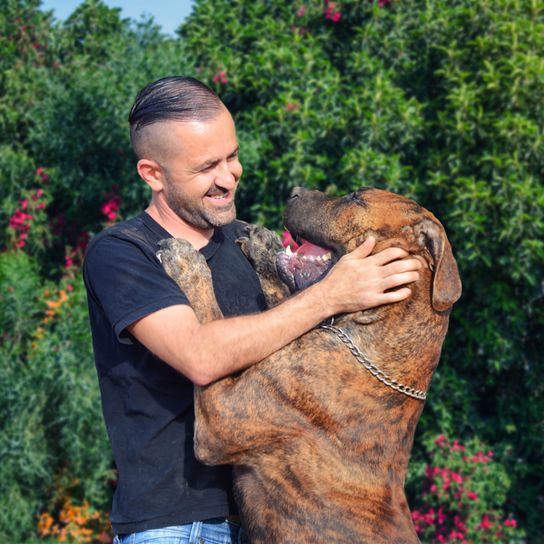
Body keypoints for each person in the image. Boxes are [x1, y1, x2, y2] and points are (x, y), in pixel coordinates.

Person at [83, 76, 422, 544]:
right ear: (153, 174)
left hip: (274, 523)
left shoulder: (250, 245)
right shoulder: (123, 253)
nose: (228, 177)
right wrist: (330, 295)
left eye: (232, 156)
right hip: (175, 525)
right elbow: (198, 357)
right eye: (206, 168)